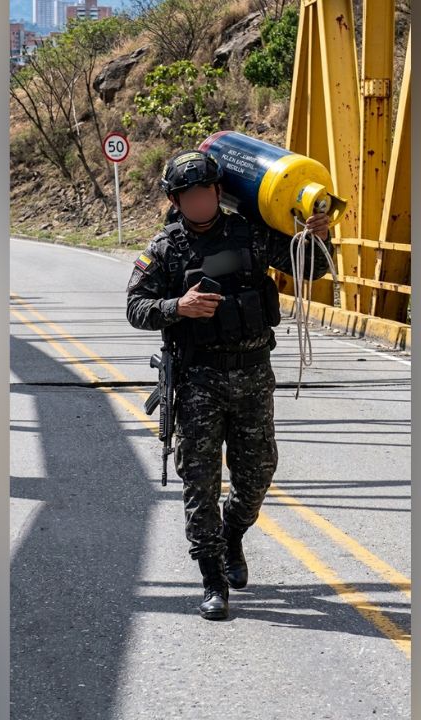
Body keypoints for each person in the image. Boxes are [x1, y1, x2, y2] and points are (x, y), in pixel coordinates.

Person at [126, 148, 334, 620]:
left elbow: (311, 266)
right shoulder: (165, 249)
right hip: (197, 380)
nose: (199, 201)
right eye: (189, 196)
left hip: (253, 376)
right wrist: (176, 307)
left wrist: (320, 236)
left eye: (206, 192)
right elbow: (136, 307)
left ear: (218, 191)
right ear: (176, 201)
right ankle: (212, 578)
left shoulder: (251, 234)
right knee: (199, 482)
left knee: (258, 474)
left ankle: (233, 532)